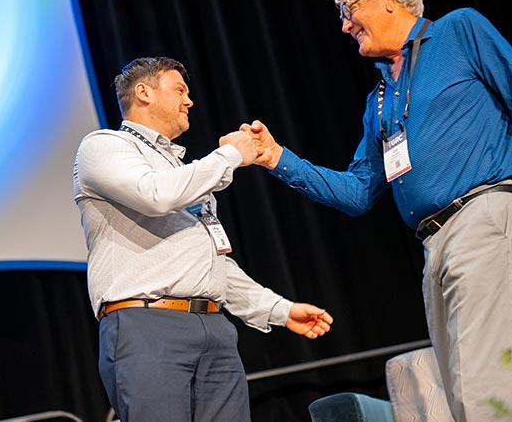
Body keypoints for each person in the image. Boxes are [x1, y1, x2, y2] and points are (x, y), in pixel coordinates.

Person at [244, 0, 512, 422]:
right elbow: (358, 192)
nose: (344, 25)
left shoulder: (460, 31)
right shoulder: (379, 99)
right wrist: (277, 158)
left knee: (486, 399)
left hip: (483, 215)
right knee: (467, 404)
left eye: (348, 9)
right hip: (433, 246)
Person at [72, 56, 333, 422]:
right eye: (180, 90)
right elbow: (154, 194)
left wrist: (280, 309)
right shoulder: (103, 146)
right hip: (147, 324)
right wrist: (230, 154)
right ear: (144, 92)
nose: (189, 100)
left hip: (214, 328)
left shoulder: (182, 170)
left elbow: (210, 263)